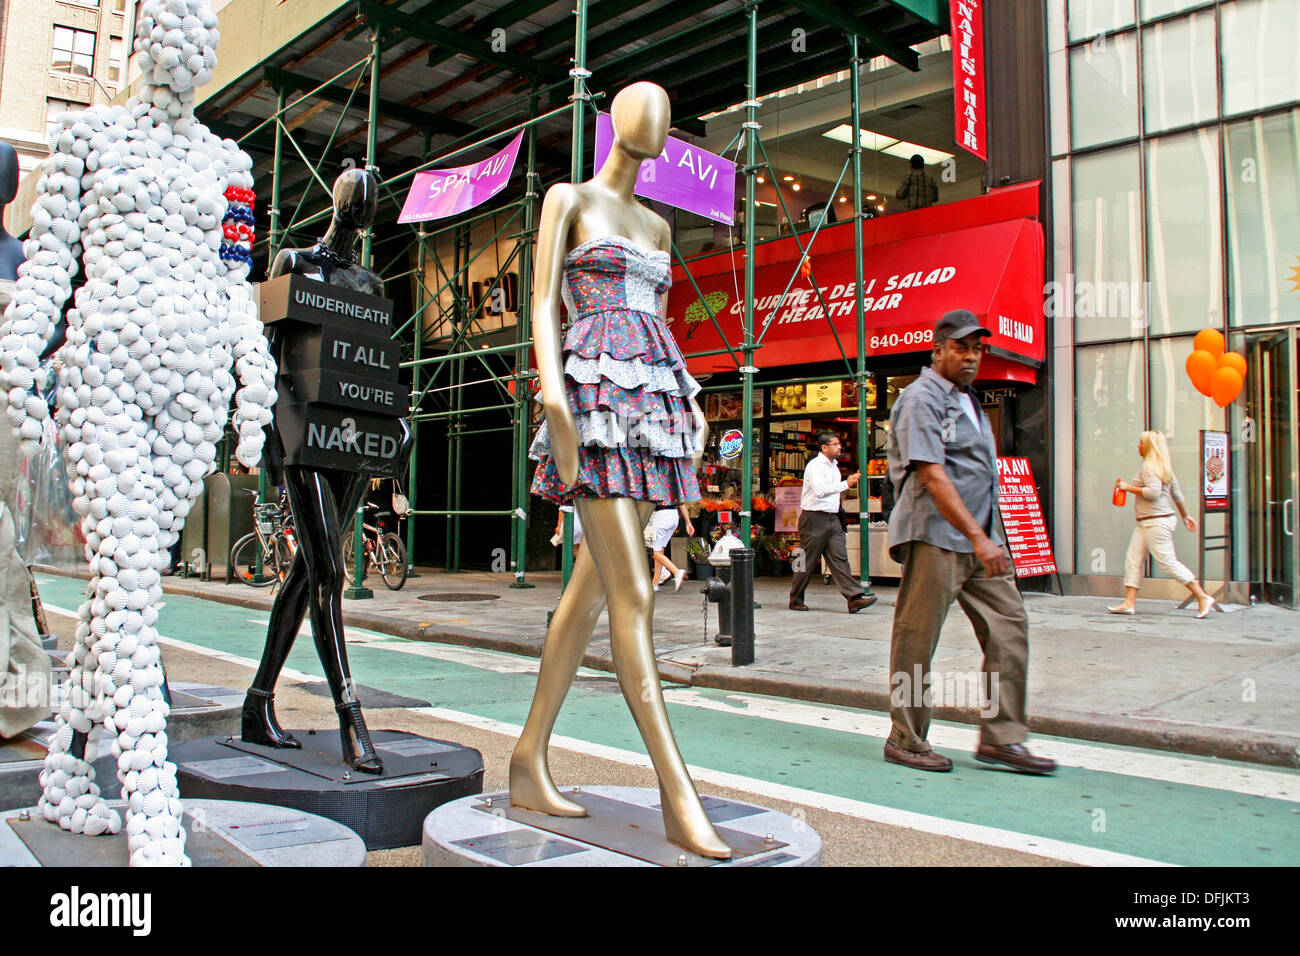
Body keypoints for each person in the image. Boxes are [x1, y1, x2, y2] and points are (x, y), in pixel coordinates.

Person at [510, 81, 731, 859]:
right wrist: (554, 396)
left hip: (655, 404)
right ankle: (678, 795)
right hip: (593, 404)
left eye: (667, 114)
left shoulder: (660, 227)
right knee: (632, 587)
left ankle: (528, 759)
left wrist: (692, 406)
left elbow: (662, 326)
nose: (656, 124)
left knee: (594, 588)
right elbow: (543, 304)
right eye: (645, 109)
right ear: (616, 120)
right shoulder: (567, 199)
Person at [884, 309, 1055, 775]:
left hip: (980, 540)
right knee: (916, 641)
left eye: (977, 349)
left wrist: (987, 536)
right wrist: (980, 537)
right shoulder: (922, 399)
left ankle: (1002, 738)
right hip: (936, 535)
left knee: (1009, 626)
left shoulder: (969, 401)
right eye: (961, 347)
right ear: (937, 350)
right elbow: (932, 474)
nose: (972, 357)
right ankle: (906, 738)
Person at [1108, 430, 1216, 618]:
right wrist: (1186, 516)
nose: (1138, 446)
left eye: (1141, 443)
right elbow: (1177, 494)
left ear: (1149, 447)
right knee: (1133, 559)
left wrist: (1128, 487)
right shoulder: (1164, 468)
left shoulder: (1148, 468)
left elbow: (1153, 493)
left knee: (1167, 562)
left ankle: (1202, 596)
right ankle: (1129, 602)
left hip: (1154, 523)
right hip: (1148, 522)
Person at [788, 431, 876, 613]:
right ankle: (795, 599)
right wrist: (846, 484)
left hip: (832, 517)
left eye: (839, 444)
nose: (839, 447)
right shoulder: (815, 466)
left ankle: (854, 598)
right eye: (835, 444)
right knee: (808, 561)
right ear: (824, 447)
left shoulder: (834, 467)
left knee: (840, 558)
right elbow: (820, 491)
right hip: (814, 517)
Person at [647, 504, 694, 591]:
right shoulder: (674, 489)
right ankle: (655, 583)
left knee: (651, 550)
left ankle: (676, 572)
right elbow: (681, 502)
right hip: (673, 515)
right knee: (659, 550)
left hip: (660, 516)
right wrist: (688, 522)